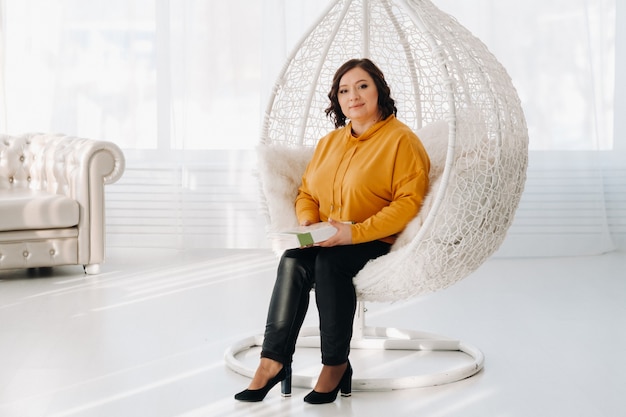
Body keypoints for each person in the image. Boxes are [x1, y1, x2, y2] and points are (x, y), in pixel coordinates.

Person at [234, 58, 430, 404]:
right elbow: (307, 192)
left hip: (374, 238)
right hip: (327, 236)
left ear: (379, 90)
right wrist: (310, 222)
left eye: (362, 86)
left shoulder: (402, 141)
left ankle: (336, 365)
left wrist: (353, 234)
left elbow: (407, 204)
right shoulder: (330, 142)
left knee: (330, 265)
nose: (353, 95)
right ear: (337, 100)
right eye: (343, 90)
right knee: (293, 260)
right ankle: (273, 361)